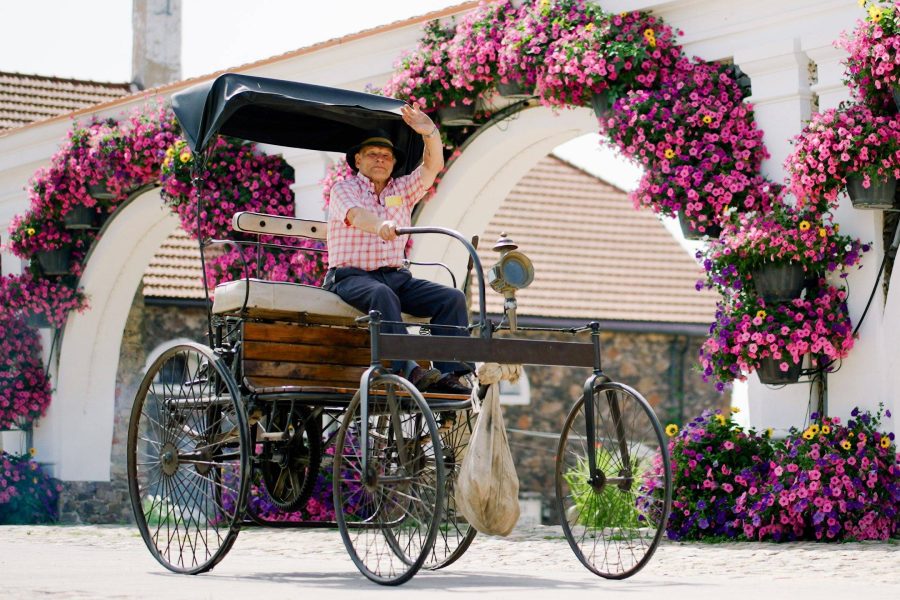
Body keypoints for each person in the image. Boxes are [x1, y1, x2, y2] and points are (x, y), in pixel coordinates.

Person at [323, 104, 472, 394]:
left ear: (393, 163)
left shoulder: (401, 190)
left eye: (387, 156)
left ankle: (451, 373)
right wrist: (379, 225)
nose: (381, 160)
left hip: (396, 278)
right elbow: (356, 216)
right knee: (382, 293)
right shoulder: (345, 189)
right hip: (351, 278)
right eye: (373, 155)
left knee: (451, 298)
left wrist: (429, 132)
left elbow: (433, 167)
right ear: (358, 159)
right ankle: (409, 369)